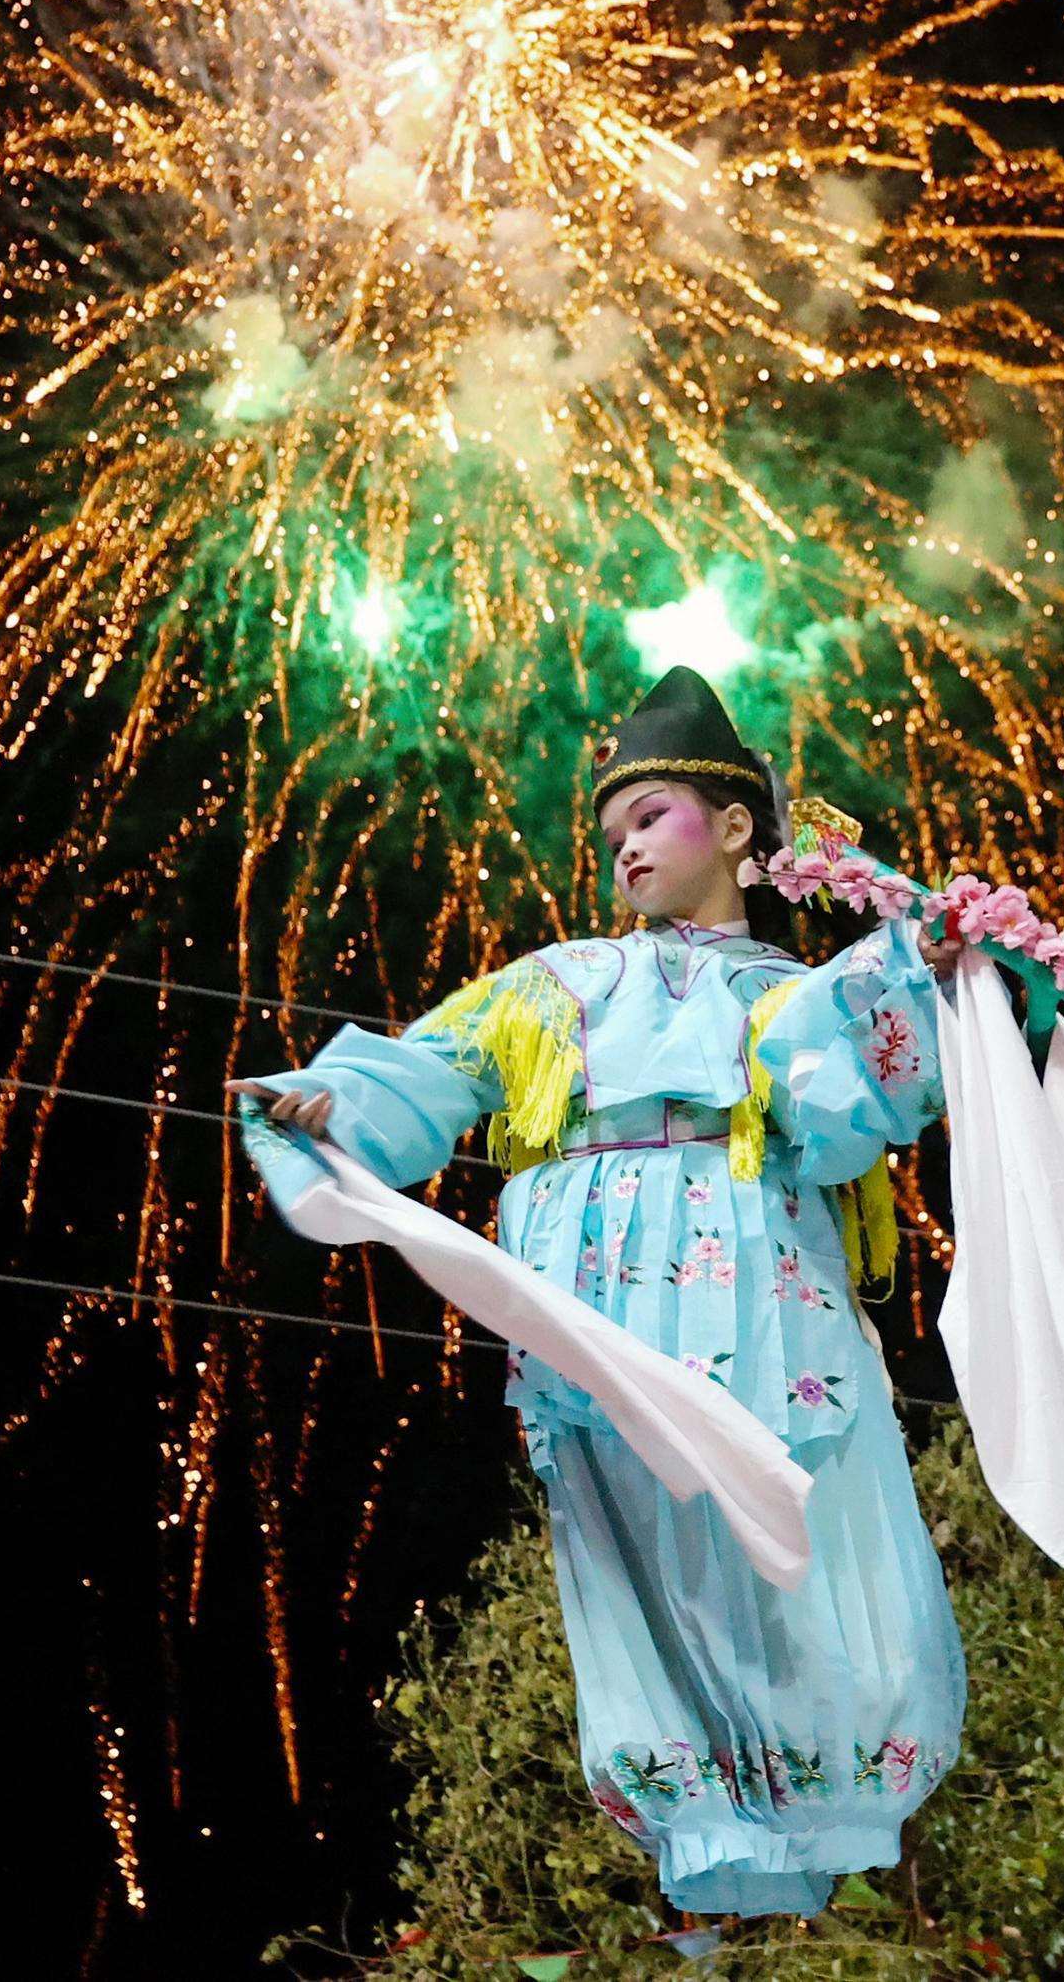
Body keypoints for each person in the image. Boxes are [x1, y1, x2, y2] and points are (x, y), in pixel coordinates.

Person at [232, 666, 964, 1919]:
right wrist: (330, 1106)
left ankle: (820, 1803)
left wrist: (929, 960)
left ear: (736, 829)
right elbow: (431, 1068)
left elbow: (861, 1091)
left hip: (757, 1287)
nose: (624, 844)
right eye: (615, 826)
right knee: (632, 1566)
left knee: (786, 1546)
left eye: (654, 815)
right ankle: (699, 1823)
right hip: (591, 1310)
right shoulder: (551, 985)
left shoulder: (786, 994)